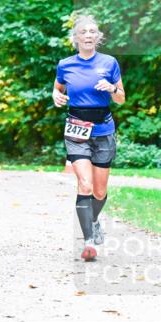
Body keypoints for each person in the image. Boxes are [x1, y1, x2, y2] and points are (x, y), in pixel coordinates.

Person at [53, 15, 126, 261]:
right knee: (84, 184)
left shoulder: (109, 63)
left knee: (99, 190)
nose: (88, 35)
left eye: (92, 31)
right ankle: (88, 242)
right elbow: (58, 88)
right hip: (76, 130)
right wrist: (56, 96)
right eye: (83, 32)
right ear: (76, 38)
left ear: (97, 37)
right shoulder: (65, 65)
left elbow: (122, 98)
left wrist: (112, 89)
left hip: (103, 131)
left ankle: (94, 220)